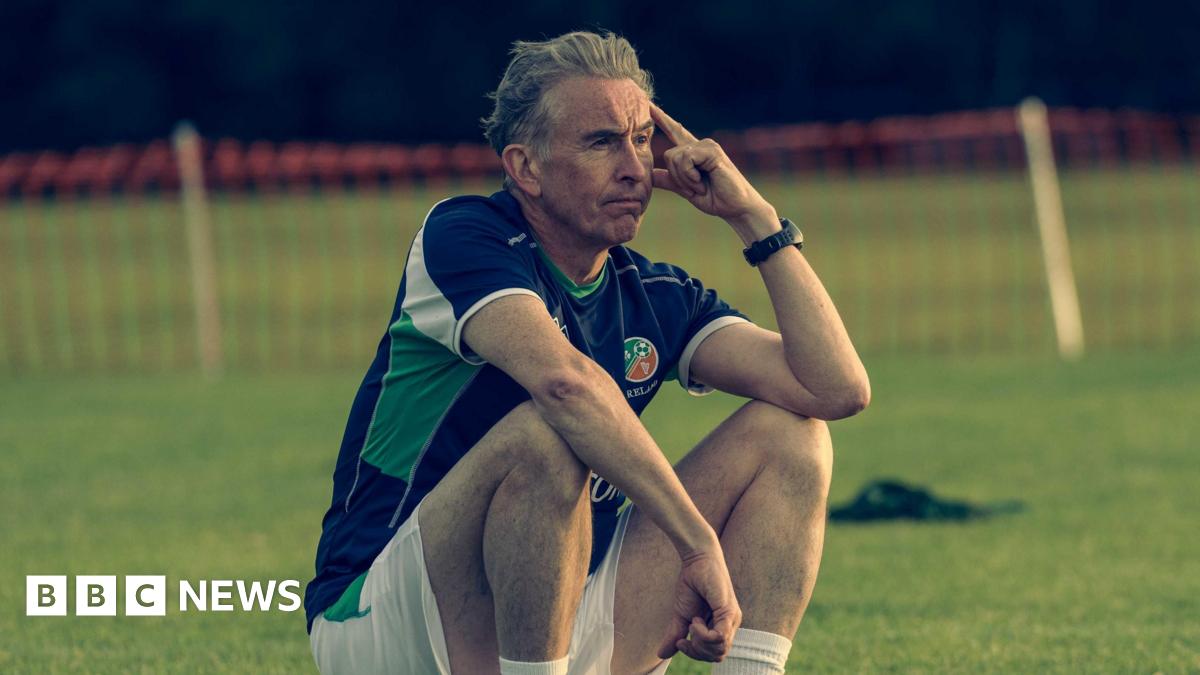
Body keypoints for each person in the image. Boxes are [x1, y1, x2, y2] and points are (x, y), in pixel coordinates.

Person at [305, 30, 869, 675]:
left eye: (639, 139)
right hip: (384, 621)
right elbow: (566, 386)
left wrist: (757, 219)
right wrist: (697, 544)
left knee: (793, 433)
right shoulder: (463, 235)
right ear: (526, 168)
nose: (634, 167)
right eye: (601, 142)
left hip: (562, 615)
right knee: (552, 433)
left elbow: (836, 390)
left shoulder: (654, 293)